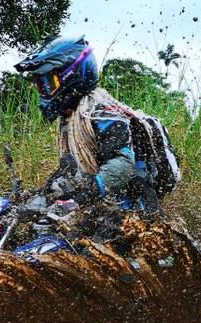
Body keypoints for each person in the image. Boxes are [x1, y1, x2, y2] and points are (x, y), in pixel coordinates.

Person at [14, 35, 180, 234]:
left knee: (82, 257)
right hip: (105, 209)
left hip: (134, 214)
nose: (43, 91)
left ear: (70, 76)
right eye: (40, 85)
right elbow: (70, 169)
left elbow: (123, 164)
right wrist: (39, 196)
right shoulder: (71, 118)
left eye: (48, 83)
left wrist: (83, 195)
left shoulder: (103, 114)